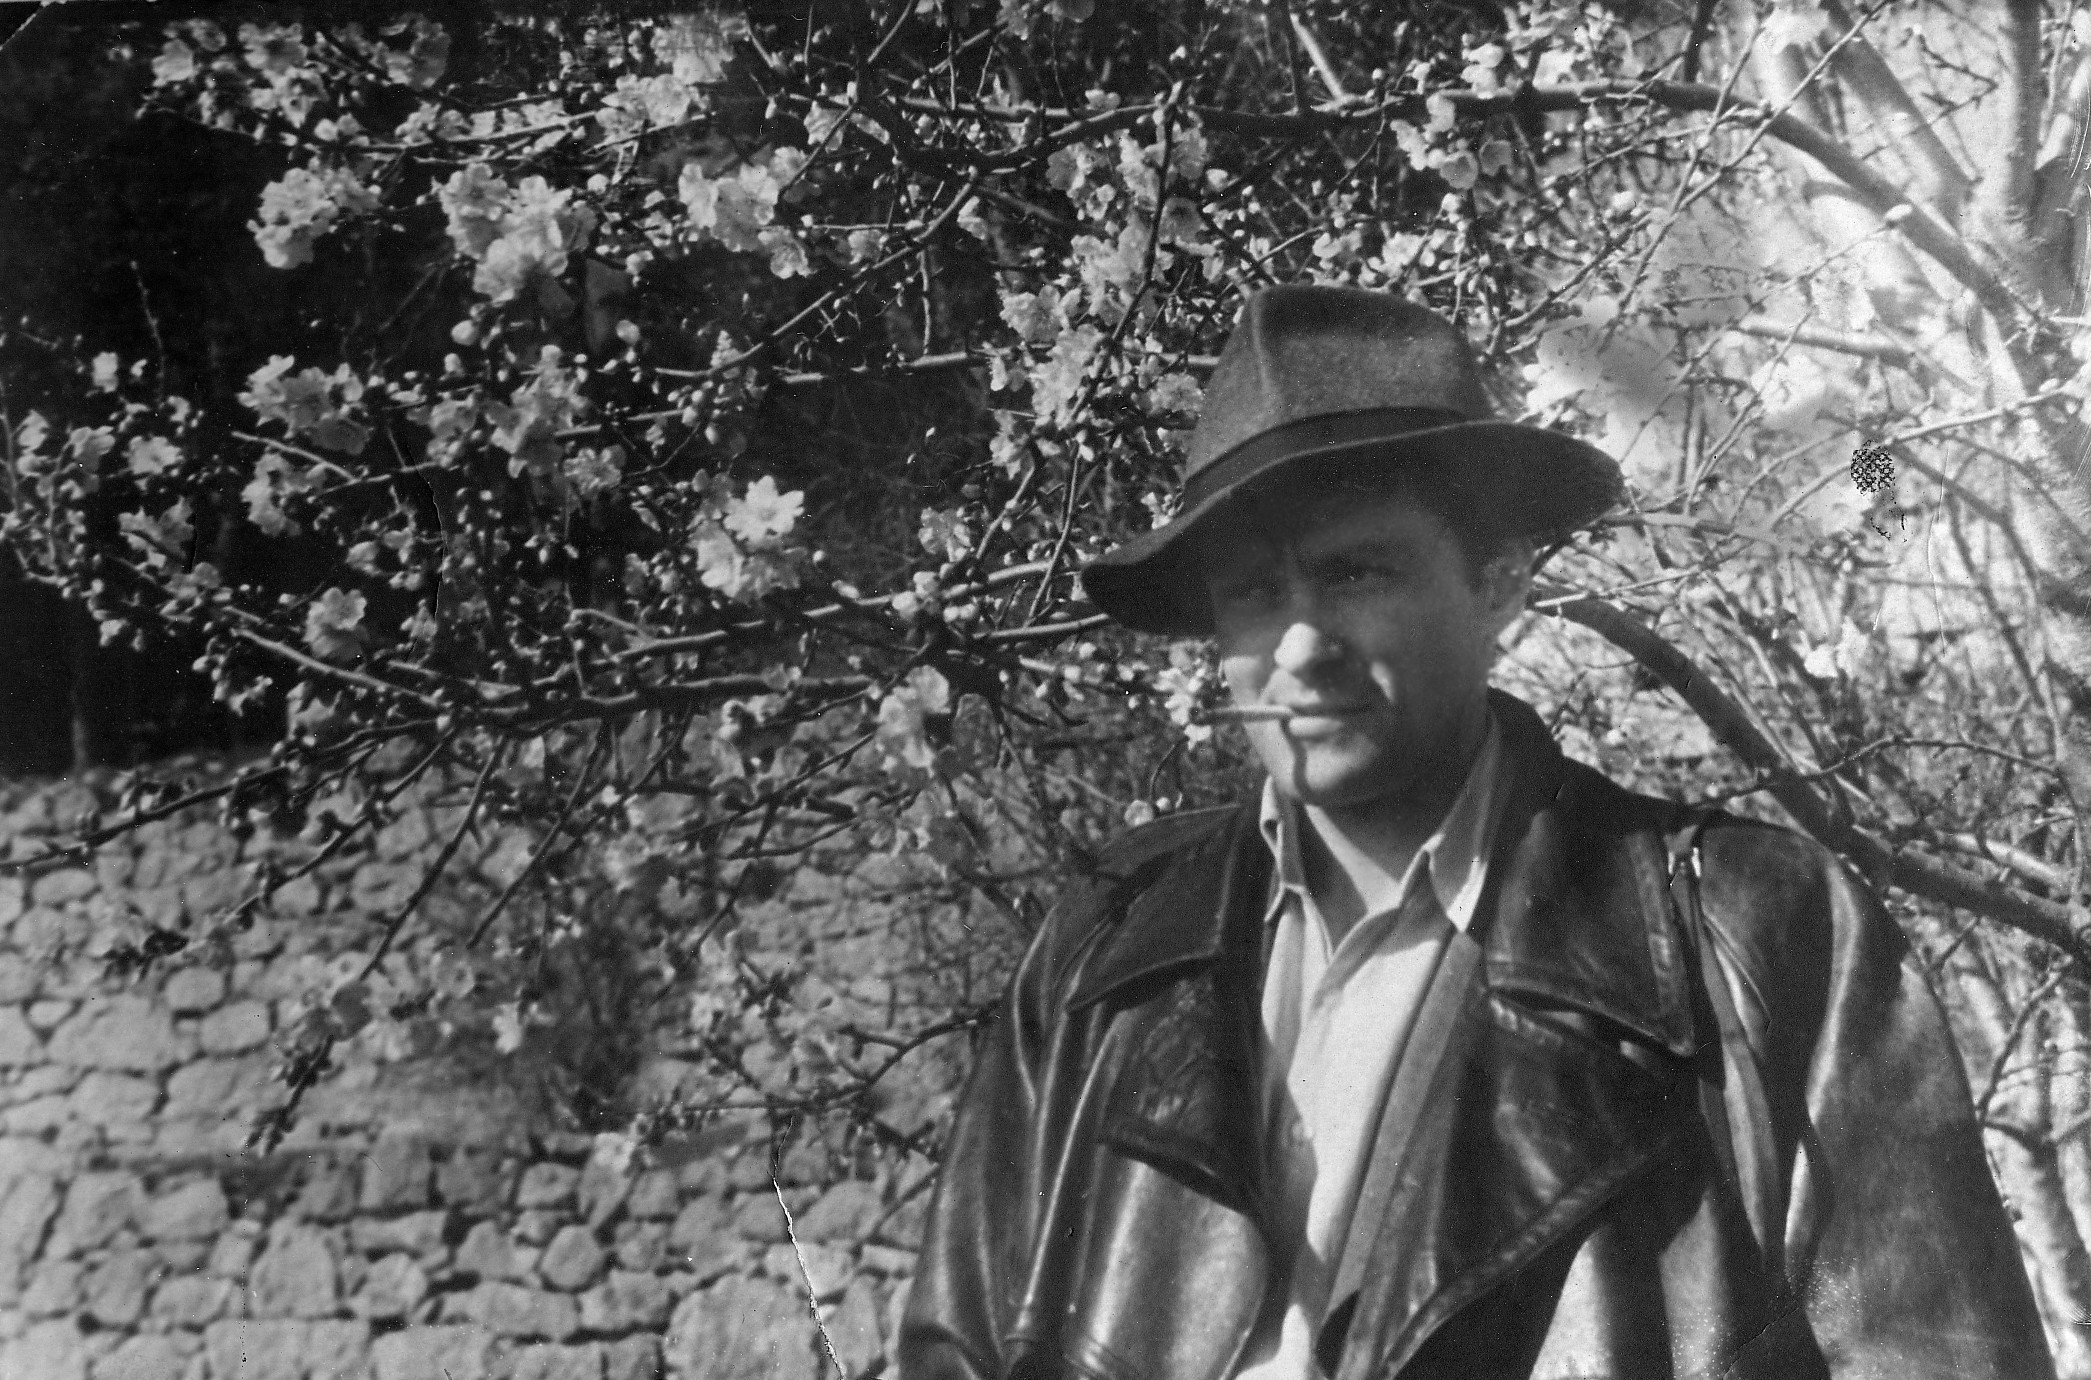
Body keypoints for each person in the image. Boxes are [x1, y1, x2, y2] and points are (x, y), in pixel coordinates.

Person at [898, 286, 2052, 1380]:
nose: (1299, 647)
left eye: (1355, 572)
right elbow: (957, 1347)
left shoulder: (1757, 929)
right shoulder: (1105, 948)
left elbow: (1935, 1347)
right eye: (1252, 593)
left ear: (1498, 583)